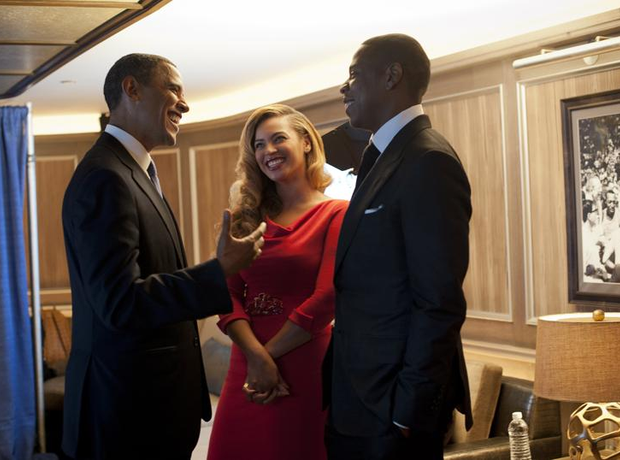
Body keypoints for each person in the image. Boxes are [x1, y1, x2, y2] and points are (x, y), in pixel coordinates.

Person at [61, 53, 266, 460]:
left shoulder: (134, 172)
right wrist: (217, 272)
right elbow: (120, 303)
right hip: (128, 415)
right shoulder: (106, 176)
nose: (185, 104)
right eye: (173, 88)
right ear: (131, 89)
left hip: (153, 409)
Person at [323, 34, 473, 460]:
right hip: (356, 400)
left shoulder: (428, 161)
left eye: (353, 74)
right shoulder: (381, 157)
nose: (343, 88)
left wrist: (408, 411)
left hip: (391, 408)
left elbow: (438, 300)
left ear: (392, 76)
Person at [206, 104, 348, 460]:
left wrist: (266, 358)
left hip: (304, 362)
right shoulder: (245, 218)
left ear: (305, 143)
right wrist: (255, 357)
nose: (268, 151)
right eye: (258, 144)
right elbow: (224, 292)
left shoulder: (336, 213)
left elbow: (327, 296)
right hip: (245, 363)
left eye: (278, 139)